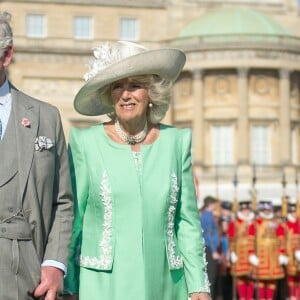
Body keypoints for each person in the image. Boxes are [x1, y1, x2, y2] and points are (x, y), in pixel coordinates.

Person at [62, 41, 211, 300]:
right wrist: (69, 284)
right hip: (102, 284)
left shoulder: (176, 142)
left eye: (135, 85)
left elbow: (187, 222)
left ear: (151, 92)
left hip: (166, 283)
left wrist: (198, 284)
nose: (125, 94)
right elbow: (73, 219)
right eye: (117, 86)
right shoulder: (84, 143)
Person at [0, 11, 73, 300]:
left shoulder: (46, 116)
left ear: (6, 55)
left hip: (26, 276)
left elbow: (63, 200)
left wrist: (55, 263)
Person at [253, 199, 288, 300]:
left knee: (272, 279)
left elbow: (281, 238)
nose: (266, 212)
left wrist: (282, 253)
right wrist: (252, 254)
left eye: (268, 210)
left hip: (273, 255)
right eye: (264, 210)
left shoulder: (276, 222)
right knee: (261, 279)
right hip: (261, 254)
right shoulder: (256, 223)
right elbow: (251, 239)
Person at [228, 199, 256, 300]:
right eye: (244, 210)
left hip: (251, 252)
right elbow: (231, 239)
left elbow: (256, 239)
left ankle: (249, 297)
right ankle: (242, 297)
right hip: (239, 253)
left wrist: (254, 254)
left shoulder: (254, 223)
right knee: (240, 277)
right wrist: (232, 253)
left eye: (247, 210)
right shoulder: (234, 223)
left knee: (251, 276)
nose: (246, 212)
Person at [199, 195, 220, 299]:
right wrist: (214, 250)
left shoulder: (208, 215)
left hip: (209, 247)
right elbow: (208, 234)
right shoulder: (207, 216)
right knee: (211, 275)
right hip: (209, 248)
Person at [285, 198, 300, 300]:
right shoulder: (286, 224)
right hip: (289, 253)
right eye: (292, 212)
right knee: (291, 275)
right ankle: (292, 295)